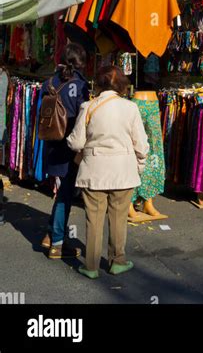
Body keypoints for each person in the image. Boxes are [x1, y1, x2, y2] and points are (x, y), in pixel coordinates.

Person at [67, 65, 149, 279]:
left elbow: (76, 143)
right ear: (121, 84)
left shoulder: (88, 106)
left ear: (98, 83)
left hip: (94, 171)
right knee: (119, 218)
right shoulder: (131, 108)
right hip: (124, 171)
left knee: (93, 220)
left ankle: (91, 266)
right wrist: (139, 165)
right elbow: (141, 144)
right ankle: (117, 261)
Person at [41, 43, 89, 259]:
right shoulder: (80, 85)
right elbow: (84, 117)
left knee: (61, 192)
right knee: (64, 196)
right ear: (81, 63)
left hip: (51, 144)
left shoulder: (47, 83)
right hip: (70, 146)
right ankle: (57, 244)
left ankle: (51, 234)